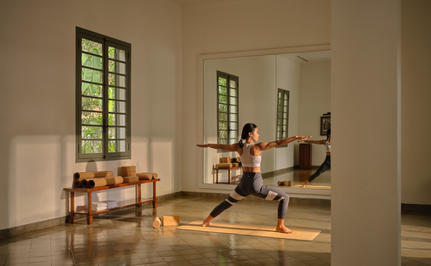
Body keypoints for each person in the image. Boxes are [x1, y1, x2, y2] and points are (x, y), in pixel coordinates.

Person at [197, 123, 310, 233]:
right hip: (255, 185)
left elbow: (221, 146)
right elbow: (278, 142)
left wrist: (207, 145)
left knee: (228, 202)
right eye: (257, 132)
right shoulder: (257, 147)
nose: (258, 135)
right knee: (284, 197)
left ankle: (206, 221)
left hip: (243, 184)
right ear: (250, 134)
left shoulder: (238, 147)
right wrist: (295, 137)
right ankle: (280, 226)